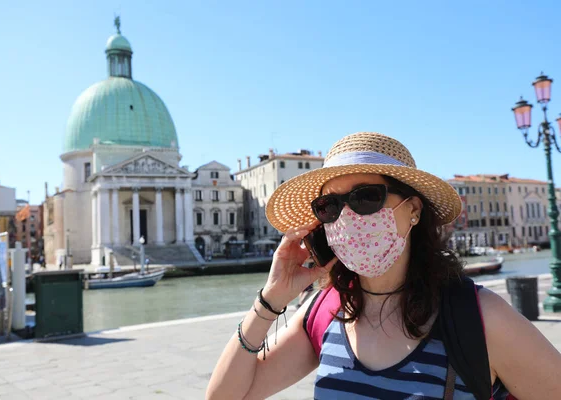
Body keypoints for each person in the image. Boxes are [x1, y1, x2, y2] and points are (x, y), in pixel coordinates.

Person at [207, 132, 561, 399]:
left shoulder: (482, 318)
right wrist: (270, 301)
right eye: (329, 206)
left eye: (365, 197)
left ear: (414, 210)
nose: (346, 217)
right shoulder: (327, 311)